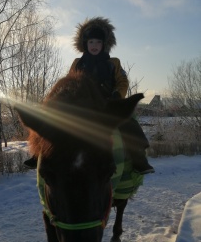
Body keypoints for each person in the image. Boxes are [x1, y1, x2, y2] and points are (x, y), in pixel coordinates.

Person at [24, 16, 154, 175]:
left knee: (129, 124)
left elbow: (122, 81)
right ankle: (38, 154)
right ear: (85, 43)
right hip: (82, 105)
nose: (94, 45)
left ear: (104, 44)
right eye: (91, 42)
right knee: (52, 123)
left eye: (98, 42)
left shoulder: (113, 63)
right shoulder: (78, 63)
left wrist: (117, 95)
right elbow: (69, 81)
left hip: (106, 102)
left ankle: (139, 159)